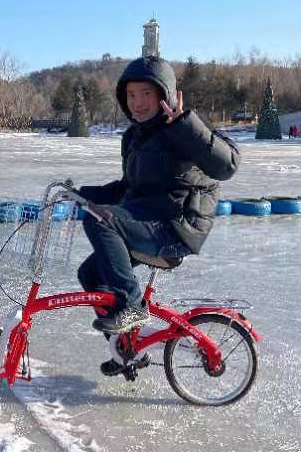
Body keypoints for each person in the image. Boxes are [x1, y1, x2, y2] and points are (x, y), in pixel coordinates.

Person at [76, 55, 240, 367]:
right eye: (131, 95)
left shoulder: (183, 129)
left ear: (164, 94)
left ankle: (131, 305)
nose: (137, 102)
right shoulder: (136, 137)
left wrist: (183, 123)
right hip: (146, 220)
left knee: (102, 222)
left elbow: (227, 165)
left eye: (146, 94)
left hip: (175, 226)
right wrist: (82, 194)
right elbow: (130, 187)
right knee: (90, 273)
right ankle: (127, 349)